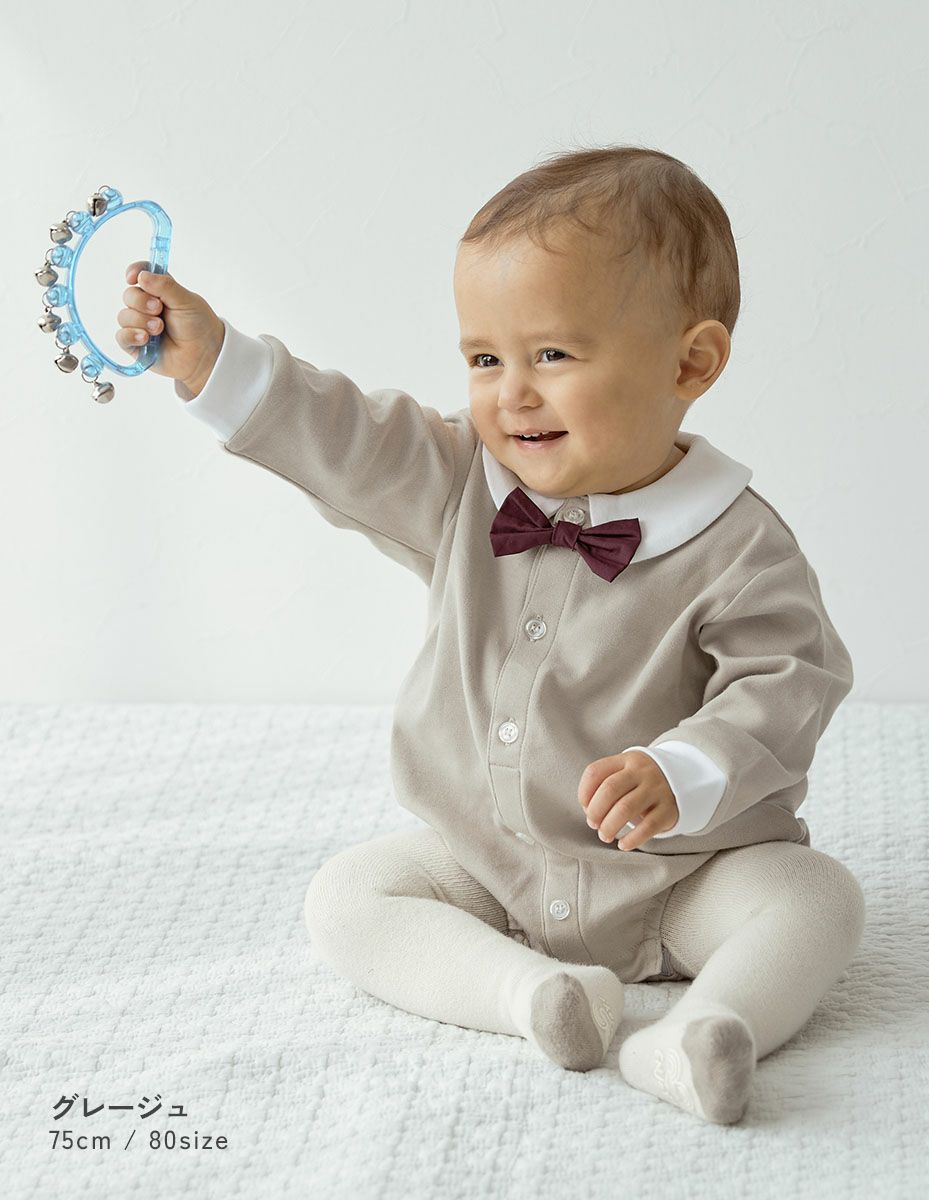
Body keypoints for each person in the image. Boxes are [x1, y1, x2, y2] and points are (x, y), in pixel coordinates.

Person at [117, 145, 865, 1125]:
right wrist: (214, 361)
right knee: (349, 899)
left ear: (691, 362)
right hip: (496, 863)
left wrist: (681, 770)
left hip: (679, 877)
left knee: (815, 899)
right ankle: (536, 997)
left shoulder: (739, 544)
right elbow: (345, 439)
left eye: (552, 355)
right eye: (485, 359)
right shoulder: (461, 483)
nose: (512, 392)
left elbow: (788, 681)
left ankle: (704, 1031)